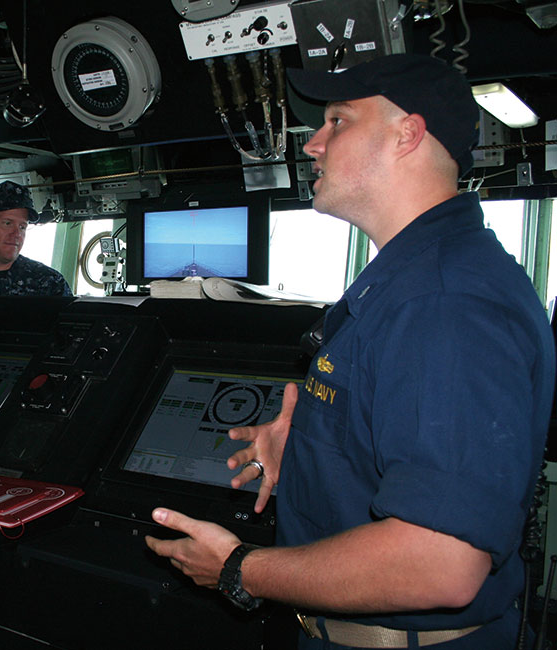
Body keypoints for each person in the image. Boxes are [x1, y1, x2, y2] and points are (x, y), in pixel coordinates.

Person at [145, 54, 555, 649]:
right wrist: (313, 453)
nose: (312, 144)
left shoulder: (444, 302)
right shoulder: (411, 282)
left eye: (337, 121)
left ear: (406, 134)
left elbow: (438, 562)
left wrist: (239, 568)